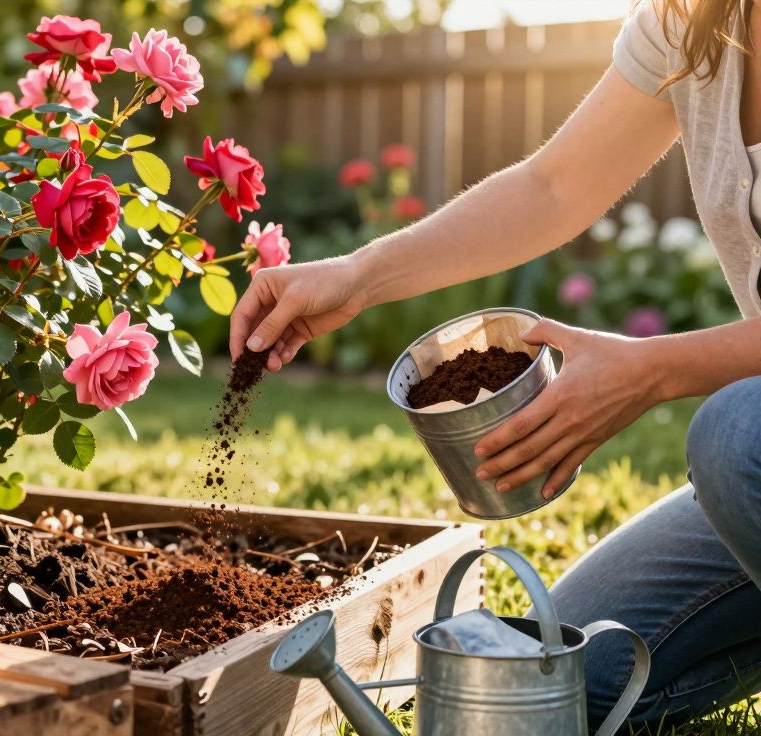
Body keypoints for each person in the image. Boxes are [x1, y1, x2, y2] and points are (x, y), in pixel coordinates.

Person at [230, 0, 761, 727]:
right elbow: (554, 186)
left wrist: (652, 371)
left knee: (736, 438)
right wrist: (358, 275)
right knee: (560, 672)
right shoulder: (693, 22)